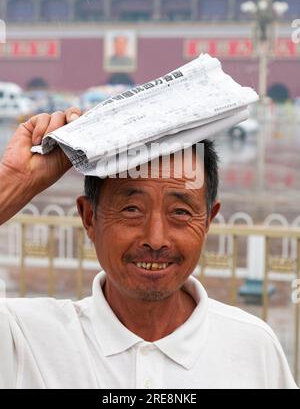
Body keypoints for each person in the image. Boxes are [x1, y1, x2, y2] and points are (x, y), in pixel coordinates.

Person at [0, 112, 297, 389]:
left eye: (180, 212)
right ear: (89, 217)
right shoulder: (24, 341)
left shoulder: (254, 348)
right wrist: (15, 181)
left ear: (208, 219)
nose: (156, 239)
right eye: (131, 209)